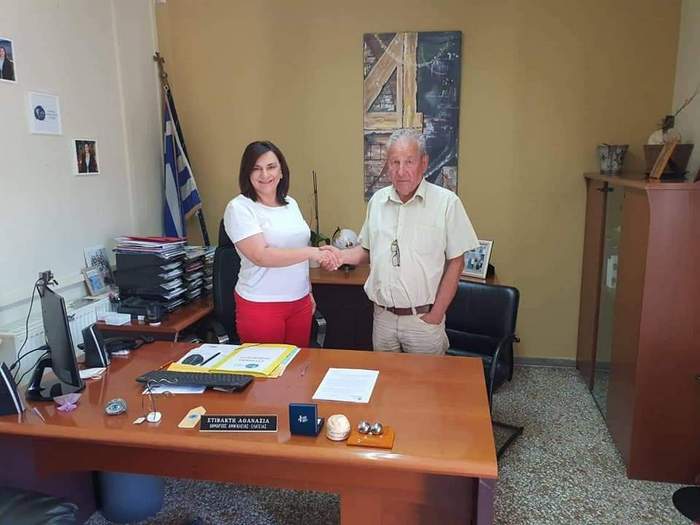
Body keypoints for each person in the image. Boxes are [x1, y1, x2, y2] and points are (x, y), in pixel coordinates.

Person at [321, 129, 478, 355]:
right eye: (395, 162)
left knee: (427, 379)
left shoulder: (446, 203)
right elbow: (367, 250)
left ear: (424, 163)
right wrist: (339, 255)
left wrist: (437, 313)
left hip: (422, 320)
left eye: (409, 162)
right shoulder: (377, 201)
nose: (401, 171)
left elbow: (457, 262)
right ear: (388, 165)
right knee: (385, 377)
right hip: (383, 319)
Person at [224, 140, 341, 347]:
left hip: (299, 302)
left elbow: (298, 248)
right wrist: (312, 252)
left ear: (281, 171)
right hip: (261, 304)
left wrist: (308, 291)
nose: (265, 175)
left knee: (297, 365)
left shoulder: (290, 203)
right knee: (267, 367)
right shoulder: (239, 208)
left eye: (271, 167)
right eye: (256, 168)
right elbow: (261, 255)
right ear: (247, 173)